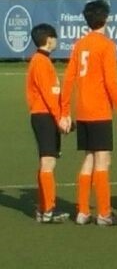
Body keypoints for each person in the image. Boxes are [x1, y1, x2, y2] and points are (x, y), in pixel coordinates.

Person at [60, 0, 117, 226]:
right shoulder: (107, 45)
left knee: (89, 158)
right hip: (100, 110)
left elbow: (69, 78)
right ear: (106, 18)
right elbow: (111, 82)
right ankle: (104, 213)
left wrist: (64, 110)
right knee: (103, 160)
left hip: (82, 111)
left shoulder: (79, 44)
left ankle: (82, 211)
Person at [26, 23, 67, 223]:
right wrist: (59, 118)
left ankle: (45, 208)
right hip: (44, 116)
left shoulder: (42, 61)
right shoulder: (41, 62)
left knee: (47, 161)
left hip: (45, 115)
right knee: (47, 161)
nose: (57, 41)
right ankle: (48, 209)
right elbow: (48, 94)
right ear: (49, 39)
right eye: (55, 37)